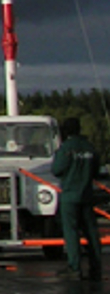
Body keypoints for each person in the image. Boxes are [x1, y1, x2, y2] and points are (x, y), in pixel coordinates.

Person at [52, 117, 103, 280]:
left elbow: (57, 169)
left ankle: (75, 266)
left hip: (70, 194)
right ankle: (96, 266)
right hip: (87, 193)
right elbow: (96, 171)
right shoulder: (89, 148)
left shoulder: (67, 148)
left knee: (71, 231)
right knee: (91, 231)